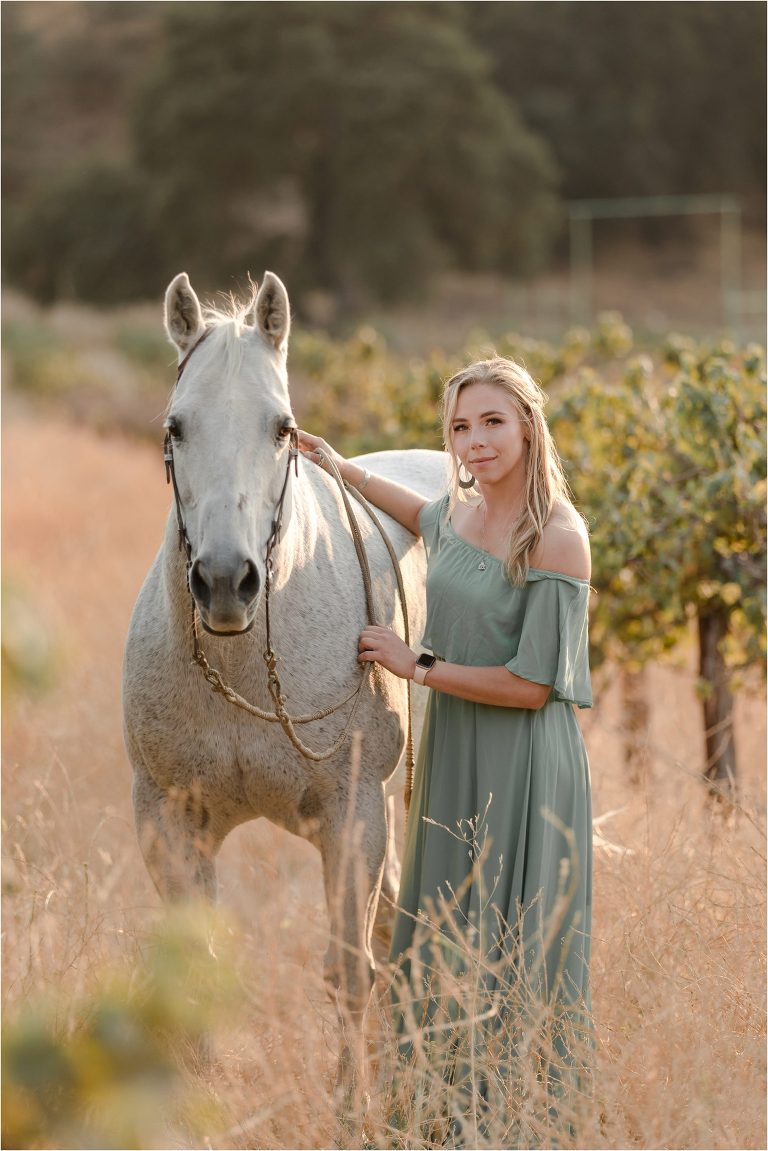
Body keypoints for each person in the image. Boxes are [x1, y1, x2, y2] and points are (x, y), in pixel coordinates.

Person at [298, 356, 593, 1144]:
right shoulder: (459, 515)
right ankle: (436, 1121)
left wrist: (413, 663)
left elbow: (534, 686)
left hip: (523, 757)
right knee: (442, 931)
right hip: (455, 743)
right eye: (460, 427)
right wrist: (336, 465)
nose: (475, 441)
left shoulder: (558, 538)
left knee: (512, 939)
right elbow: (418, 512)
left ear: (528, 423)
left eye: (493, 421)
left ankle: (522, 1126)